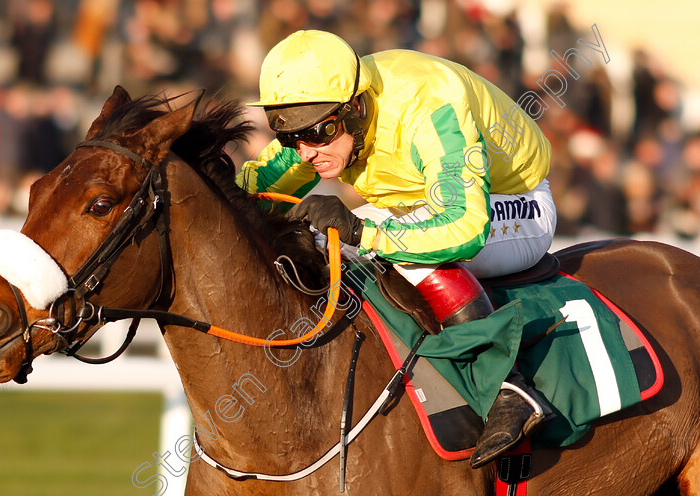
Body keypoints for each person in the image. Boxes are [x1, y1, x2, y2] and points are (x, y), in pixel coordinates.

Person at [236, 30, 557, 468]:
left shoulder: (429, 103)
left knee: (382, 242)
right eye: (293, 137)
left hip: (511, 204)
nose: (306, 152)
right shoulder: (322, 114)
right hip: (423, 206)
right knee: (321, 239)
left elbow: (464, 227)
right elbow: (251, 192)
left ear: (355, 108)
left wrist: (362, 233)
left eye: (318, 133)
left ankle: (509, 387)